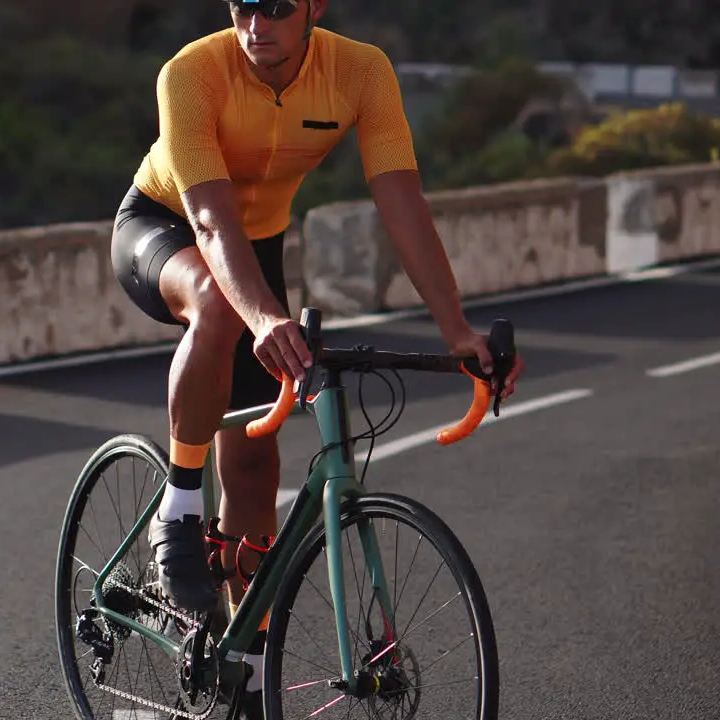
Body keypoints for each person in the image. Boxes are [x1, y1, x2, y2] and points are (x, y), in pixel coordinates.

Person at [109, 0, 525, 712]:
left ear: (315, 7)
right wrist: (265, 313)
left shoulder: (360, 73)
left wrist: (456, 329)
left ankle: (242, 661)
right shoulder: (191, 73)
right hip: (166, 227)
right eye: (243, 5)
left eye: (276, 7)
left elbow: (401, 200)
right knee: (215, 301)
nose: (256, 24)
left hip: (255, 248)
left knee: (254, 460)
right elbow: (209, 220)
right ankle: (176, 510)